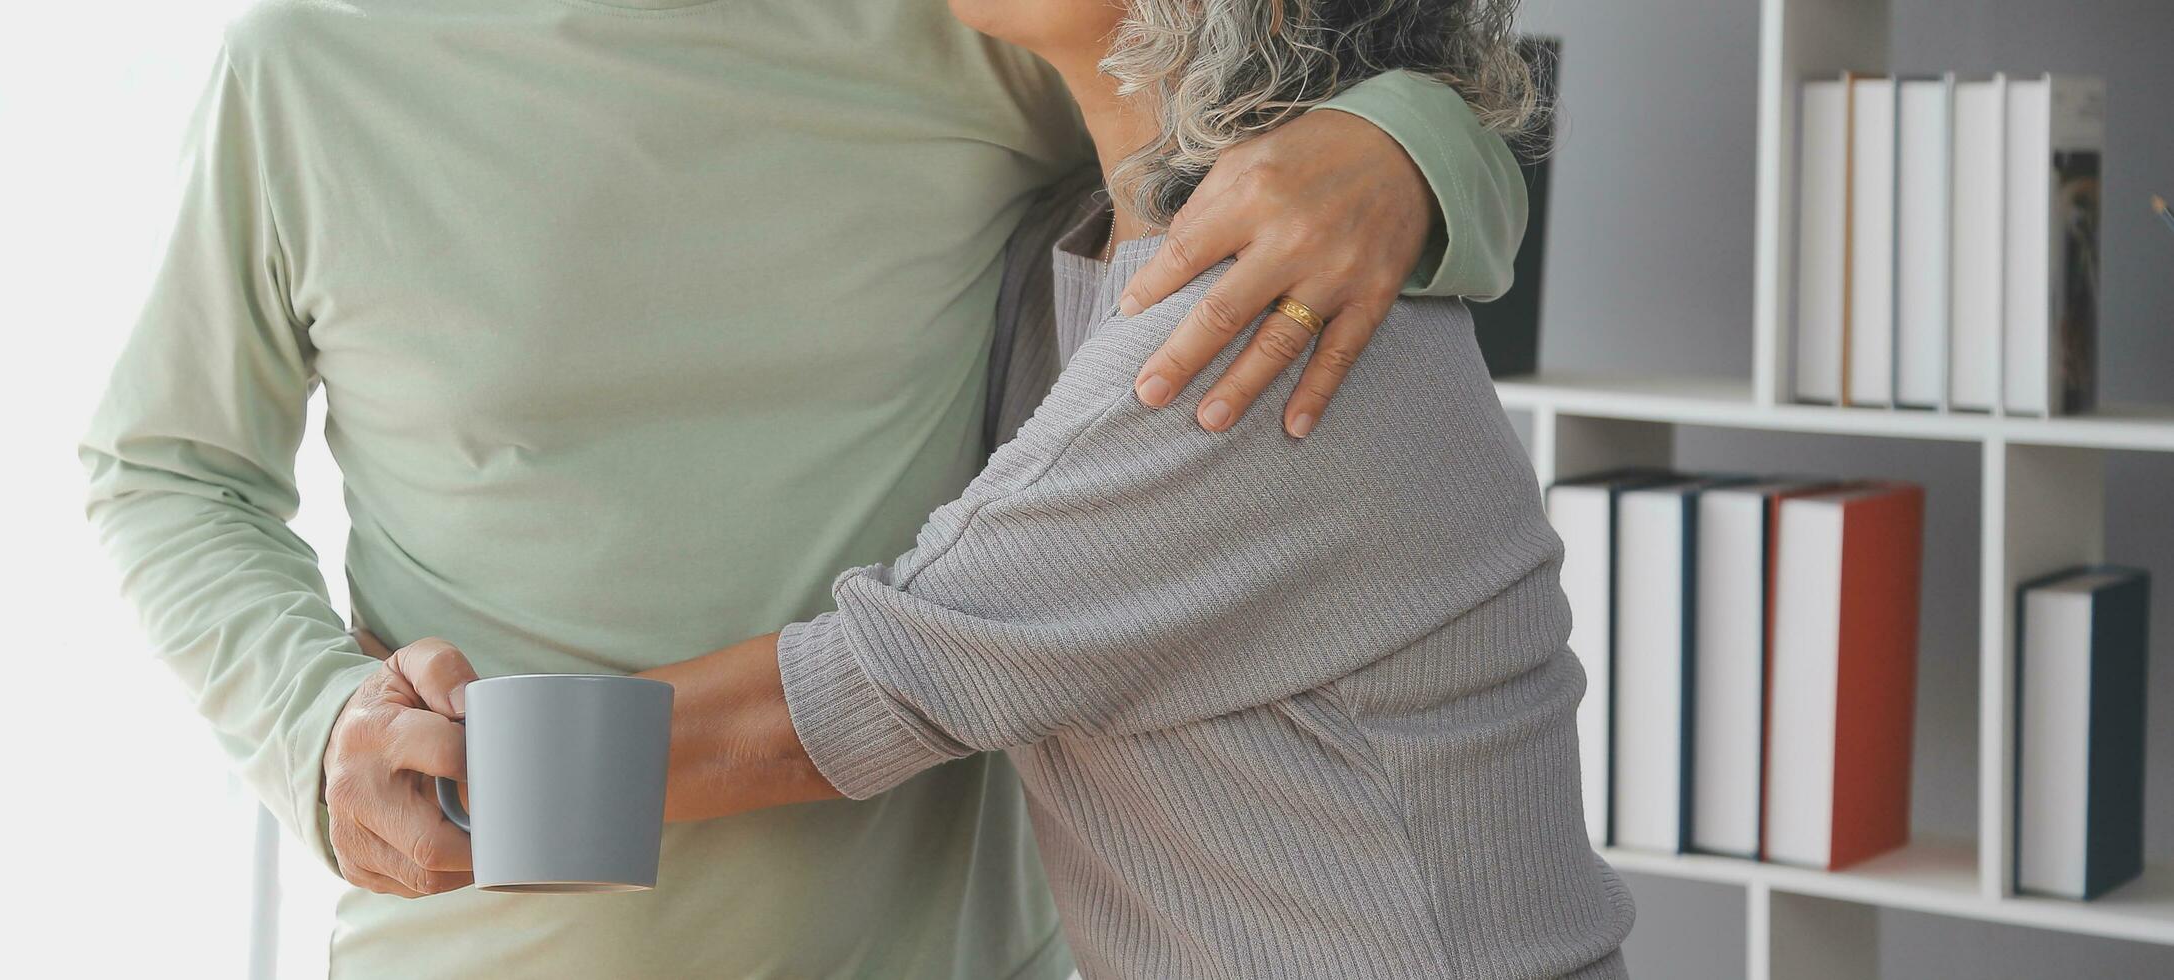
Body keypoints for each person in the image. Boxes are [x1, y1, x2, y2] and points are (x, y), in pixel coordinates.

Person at [81, 0, 1528, 976]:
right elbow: (164, 465)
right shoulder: (313, 58)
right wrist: (309, 723)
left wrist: (1403, 149)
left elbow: (1252, 87)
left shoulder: (980, 30)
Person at [516, 0, 1632, 975]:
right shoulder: (1082, 252)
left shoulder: (1247, 340)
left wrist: (437, 781)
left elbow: (824, 710)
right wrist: (1416, 140)